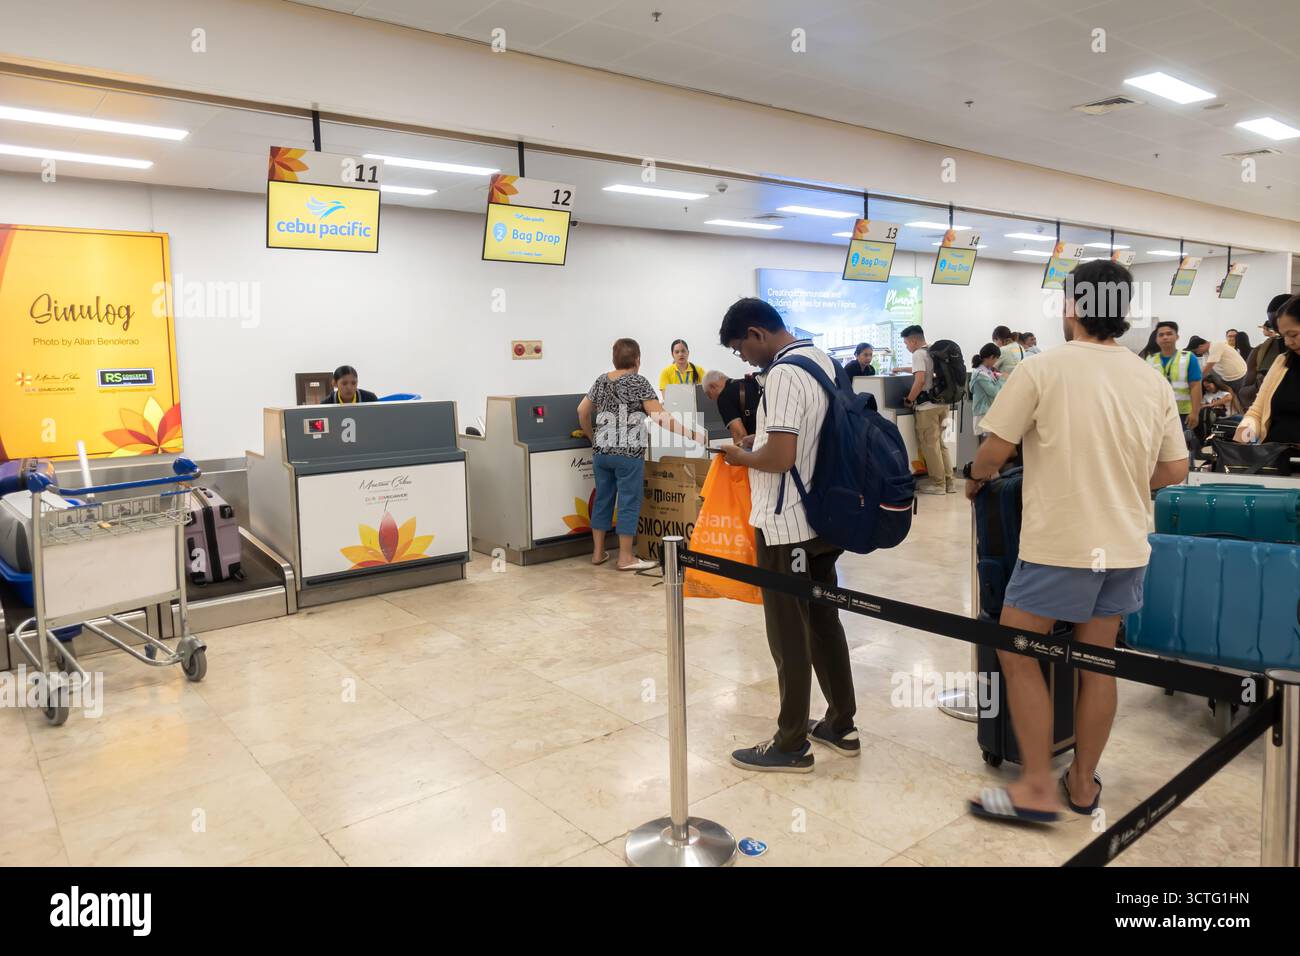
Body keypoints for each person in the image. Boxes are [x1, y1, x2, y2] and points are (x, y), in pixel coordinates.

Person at [964, 260, 1189, 823]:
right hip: (1126, 545)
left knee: (1016, 650)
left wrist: (975, 479)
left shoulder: (1042, 369)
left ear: (1072, 307)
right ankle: (1083, 783)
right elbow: (1175, 468)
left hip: (1060, 546)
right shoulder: (1150, 378)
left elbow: (993, 452)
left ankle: (1036, 786)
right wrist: (1121, 482)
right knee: (1097, 662)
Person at [716, 298, 858, 773]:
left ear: (757, 333)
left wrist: (741, 455)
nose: (743, 358)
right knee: (823, 621)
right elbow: (807, 440)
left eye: (740, 348)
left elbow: (780, 458)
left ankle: (791, 742)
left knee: (788, 633)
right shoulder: (824, 361)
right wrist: (758, 443)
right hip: (824, 518)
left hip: (785, 525)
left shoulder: (780, 374)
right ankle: (841, 723)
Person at [579, 338, 706, 572]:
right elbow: (660, 417)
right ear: (637, 359)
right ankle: (625, 557)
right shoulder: (638, 381)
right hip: (628, 454)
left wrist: (592, 437)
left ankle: (597, 553)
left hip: (601, 452)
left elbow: (582, 411)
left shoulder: (601, 380)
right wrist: (690, 434)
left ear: (614, 359)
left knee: (602, 499)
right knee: (628, 501)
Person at [1236, 295, 1300, 445]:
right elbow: (1256, 413)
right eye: (1283, 336)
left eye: (1293, 335)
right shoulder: (1282, 362)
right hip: (1274, 455)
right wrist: (1240, 444)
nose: (1287, 342)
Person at [902, 324, 954, 495]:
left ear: (913, 341)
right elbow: (927, 372)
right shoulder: (934, 350)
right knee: (941, 444)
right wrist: (901, 369)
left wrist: (909, 400)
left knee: (930, 446)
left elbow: (920, 381)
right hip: (943, 404)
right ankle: (949, 483)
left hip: (927, 407)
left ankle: (938, 485)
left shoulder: (918, 354)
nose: (907, 347)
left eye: (906, 343)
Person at [1145, 321, 1202, 434]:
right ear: (1156, 339)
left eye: (1169, 333)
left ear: (1177, 337)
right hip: (1157, 412)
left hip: (1182, 413)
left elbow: (1195, 386)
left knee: (1181, 443)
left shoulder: (1188, 358)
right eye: (1161, 335)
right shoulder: (1150, 360)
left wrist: (1195, 412)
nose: (1165, 337)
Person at [1240, 295, 1290, 407]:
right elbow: (1243, 395)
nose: (1279, 330)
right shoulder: (1261, 352)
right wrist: (1259, 385)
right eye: (1274, 325)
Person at [702, 369, 759, 444]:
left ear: (713, 386)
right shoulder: (749, 383)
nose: (710, 399)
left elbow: (740, 435)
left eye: (708, 394)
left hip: (760, 445)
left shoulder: (724, 397)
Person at [967, 343, 1003, 437]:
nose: (996, 362)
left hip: (987, 412)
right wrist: (1002, 379)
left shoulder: (986, 371)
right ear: (991, 357)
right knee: (988, 442)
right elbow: (994, 392)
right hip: (984, 412)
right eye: (996, 358)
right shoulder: (981, 374)